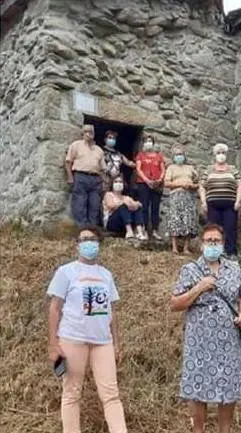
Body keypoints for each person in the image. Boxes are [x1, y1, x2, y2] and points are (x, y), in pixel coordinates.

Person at [170, 223, 241, 433]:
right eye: (209, 241)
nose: (213, 244)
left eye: (216, 241)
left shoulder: (233, 268)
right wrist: (199, 287)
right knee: (198, 388)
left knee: (228, 387)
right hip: (200, 340)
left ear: (223, 244)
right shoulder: (190, 270)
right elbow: (175, 304)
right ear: (202, 244)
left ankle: (226, 430)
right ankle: (199, 429)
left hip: (230, 339)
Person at [46, 225, 127, 433]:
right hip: (73, 339)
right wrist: (53, 344)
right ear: (77, 245)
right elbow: (55, 309)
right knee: (72, 393)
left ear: (99, 244)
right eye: (84, 239)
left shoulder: (106, 275)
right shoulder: (66, 272)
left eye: (93, 239)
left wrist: (117, 343)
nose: (89, 242)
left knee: (111, 394)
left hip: (103, 342)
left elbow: (111, 312)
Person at [199, 143, 241, 259]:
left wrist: (238, 201)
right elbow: (202, 186)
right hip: (212, 204)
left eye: (223, 153)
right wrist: (203, 202)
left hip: (230, 204)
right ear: (214, 155)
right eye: (218, 153)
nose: (221, 155)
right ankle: (214, 253)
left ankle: (231, 253)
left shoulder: (233, 169)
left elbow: (239, 185)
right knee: (213, 229)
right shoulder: (209, 170)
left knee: (230, 228)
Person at [65, 124, 107, 226]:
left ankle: (92, 230)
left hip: (96, 179)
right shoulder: (76, 145)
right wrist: (70, 177)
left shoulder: (98, 150)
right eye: (86, 132)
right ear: (82, 133)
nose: (89, 134)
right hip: (81, 177)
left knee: (94, 205)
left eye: (91, 132)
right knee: (80, 204)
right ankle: (82, 230)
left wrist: (104, 181)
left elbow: (102, 169)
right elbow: (68, 162)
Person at [164, 145, 200, 254]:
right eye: (177, 155)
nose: (179, 156)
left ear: (184, 156)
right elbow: (166, 183)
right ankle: (174, 247)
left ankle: (186, 248)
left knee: (188, 220)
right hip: (176, 196)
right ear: (173, 156)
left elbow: (197, 183)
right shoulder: (171, 168)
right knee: (175, 219)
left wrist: (191, 186)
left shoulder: (190, 168)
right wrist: (181, 184)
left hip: (189, 196)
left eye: (181, 154)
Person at [135, 135, 165, 240]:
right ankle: (144, 231)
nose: (149, 143)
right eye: (147, 141)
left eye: (150, 141)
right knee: (144, 207)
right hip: (143, 184)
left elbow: (162, 169)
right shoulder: (140, 155)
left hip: (156, 184)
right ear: (143, 143)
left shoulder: (159, 156)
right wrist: (147, 181)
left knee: (155, 207)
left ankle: (155, 231)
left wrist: (160, 179)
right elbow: (138, 169)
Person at [102, 175, 147, 240]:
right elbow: (110, 205)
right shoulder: (108, 194)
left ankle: (139, 232)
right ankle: (129, 231)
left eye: (120, 182)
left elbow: (137, 204)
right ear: (112, 184)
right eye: (116, 182)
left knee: (137, 208)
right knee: (123, 206)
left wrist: (136, 204)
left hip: (124, 222)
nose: (118, 184)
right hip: (112, 223)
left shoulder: (127, 197)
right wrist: (124, 204)